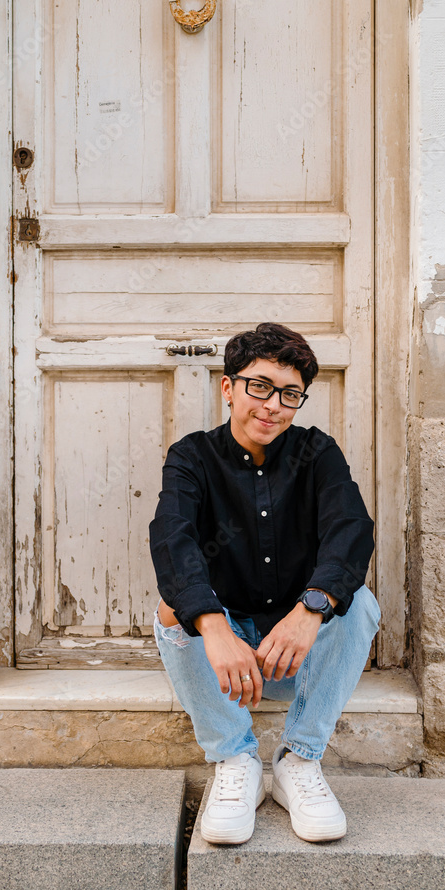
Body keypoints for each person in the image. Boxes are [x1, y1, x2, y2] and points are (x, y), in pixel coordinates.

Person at [149, 322, 380, 844]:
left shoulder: (317, 454)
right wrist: (213, 628)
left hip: (295, 658)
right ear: (228, 387)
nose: (272, 405)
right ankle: (234, 759)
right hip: (224, 663)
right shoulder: (192, 458)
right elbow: (173, 539)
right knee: (170, 607)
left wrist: (310, 610)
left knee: (359, 604)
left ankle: (299, 760)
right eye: (259, 386)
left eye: (289, 394)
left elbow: (351, 530)